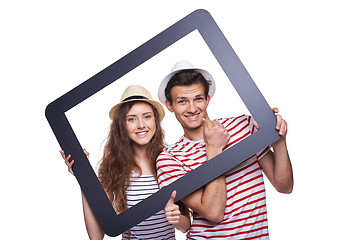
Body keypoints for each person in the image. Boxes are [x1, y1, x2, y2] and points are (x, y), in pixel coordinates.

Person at [156, 60, 294, 239]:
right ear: (169, 105)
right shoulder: (169, 158)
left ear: (207, 99)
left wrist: (278, 140)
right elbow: (213, 212)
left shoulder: (243, 126)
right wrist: (214, 149)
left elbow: (284, 186)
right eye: (182, 101)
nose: (192, 109)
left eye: (198, 98)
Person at [60, 85, 191, 239]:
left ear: (155, 120)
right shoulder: (114, 168)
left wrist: (176, 219)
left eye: (147, 116)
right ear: (122, 125)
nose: (141, 125)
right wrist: (84, 180)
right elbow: (96, 236)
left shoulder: (171, 160)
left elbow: (186, 226)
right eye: (132, 119)